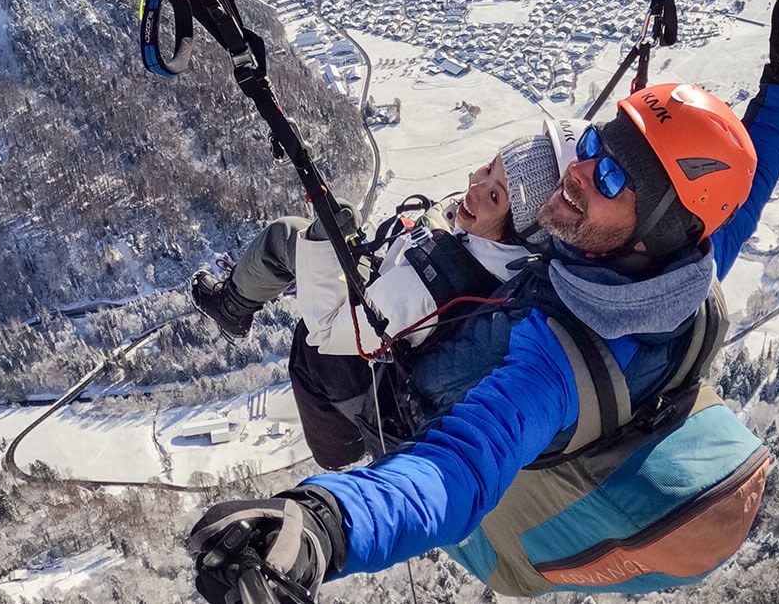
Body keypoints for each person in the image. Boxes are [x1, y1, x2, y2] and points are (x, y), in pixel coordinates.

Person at [187, 0, 779, 603]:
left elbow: (458, 470)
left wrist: (325, 525)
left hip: (398, 421)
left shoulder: (556, 361)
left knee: (311, 343)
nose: (575, 173)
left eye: (610, 177)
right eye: (591, 145)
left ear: (656, 231)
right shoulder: (685, 266)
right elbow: (745, 196)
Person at [190, 133, 558, 467]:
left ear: (516, 230)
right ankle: (340, 449)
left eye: (495, 196)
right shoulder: (504, 256)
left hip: (377, 379)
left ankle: (338, 454)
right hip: (392, 306)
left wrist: (320, 244)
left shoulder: (435, 286)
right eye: (489, 167)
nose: (475, 186)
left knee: (291, 260)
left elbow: (329, 330)